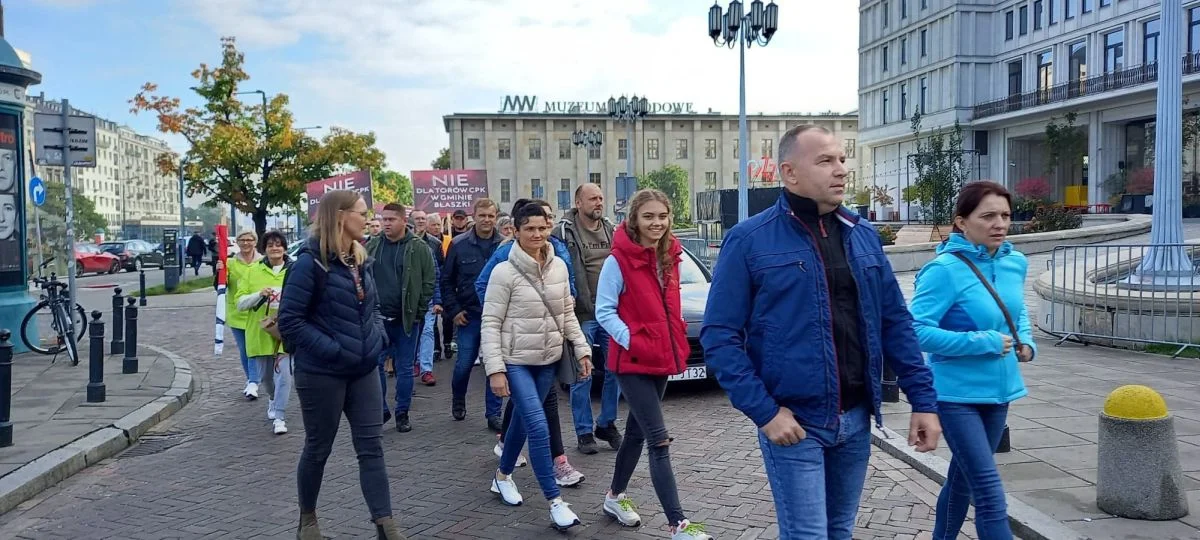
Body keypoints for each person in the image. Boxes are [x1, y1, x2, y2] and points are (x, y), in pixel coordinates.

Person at [700, 125, 942, 539]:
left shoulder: (863, 235)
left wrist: (923, 399)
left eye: (842, 159)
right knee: (808, 535)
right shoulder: (749, 240)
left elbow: (894, 323)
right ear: (790, 173)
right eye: (826, 161)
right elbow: (719, 337)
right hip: (795, 424)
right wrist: (765, 412)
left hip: (855, 420)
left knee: (839, 532)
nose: (841, 170)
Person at [909, 181, 1034, 540]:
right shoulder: (944, 270)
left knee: (962, 479)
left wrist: (1025, 341)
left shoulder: (1015, 262)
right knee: (990, 492)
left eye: (1006, 215)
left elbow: (1017, 309)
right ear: (962, 222)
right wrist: (983, 341)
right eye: (988, 216)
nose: (1000, 223)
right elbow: (915, 331)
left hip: (1000, 393)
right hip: (955, 394)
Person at [276, 190, 404, 540]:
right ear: (340, 217)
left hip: (364, 371)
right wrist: (335, 349)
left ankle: (386, 526)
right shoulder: (308, 263)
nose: (368, 218)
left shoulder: (361, 259)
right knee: (318, 447)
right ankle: (308, 522)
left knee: (372, 446)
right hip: (321, 373)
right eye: (362, 213)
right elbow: (290, 321)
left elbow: (373, 308)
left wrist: (375, 339)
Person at [595, 189, 711, 540]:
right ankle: (679, 524)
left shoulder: (672, 256)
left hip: (661, 359)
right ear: (635, 219)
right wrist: (636, 340)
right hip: (630, 362)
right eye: (648, 216)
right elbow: (604, 311)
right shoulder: (617, 260)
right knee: (658, 440)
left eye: (662, 216)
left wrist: (667, 341)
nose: (656, 223)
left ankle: (614, 497)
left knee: (635, 433)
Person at [480, 202, 593, 531]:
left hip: (549, 360)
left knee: (521, 425)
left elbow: (566, 314)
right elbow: (489, 322)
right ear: (515, 231)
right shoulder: (503, 271)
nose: (537, 234)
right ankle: (555, 501)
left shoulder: (558, 266)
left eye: (542, 228)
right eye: (529, 228)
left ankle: (502, 476)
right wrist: (495, 369)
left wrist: (582, 350)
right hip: (516, 361)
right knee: (539, 427)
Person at [555, 183, 623, 455]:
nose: (598, 202)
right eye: (593, 198)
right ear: (578, 202)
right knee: (582, 373)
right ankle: (584, 432)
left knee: (616, 369)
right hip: (581, 314)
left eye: (601, 198)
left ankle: (606, 423)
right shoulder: (563, 232)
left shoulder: (610, 229)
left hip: (611, 312)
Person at [367, 203, 436, 433]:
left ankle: (402, 413)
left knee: (405, 368)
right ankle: (381, 409)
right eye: (383, 219)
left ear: (402, 220)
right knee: (375, 365)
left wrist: (418, 311)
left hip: (407, 319)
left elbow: (429, 280)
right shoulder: (373, 245)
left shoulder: (418, 247)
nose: (386, 223)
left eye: (391, 219)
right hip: (378, 319)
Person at [442, 199, 503, 428]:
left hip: (497, 316)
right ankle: (458, 399)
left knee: (494, 364)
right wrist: (454, 310)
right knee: (464, 365)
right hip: (469, 316)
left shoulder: (504, 245)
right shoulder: (458, 245)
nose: (486, 220)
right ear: (473, 217)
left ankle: (493, 414)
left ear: (495, 217)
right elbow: (446, 281)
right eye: (482, 215)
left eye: (491, 215)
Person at [236, 230, 293, 435]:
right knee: (267, 380)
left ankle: (279, 416)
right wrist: (259, 294)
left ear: (285, 247)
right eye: (270, 245)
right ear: (264, 249)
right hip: (260, 332)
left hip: (286, 332)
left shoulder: (294, 270)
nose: (275, 248)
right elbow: (240, 303)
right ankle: (272, 398)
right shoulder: (252, 271)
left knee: (285, 376)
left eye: (278, 244)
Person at [218, 231, 262, 400]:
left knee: (253, 348)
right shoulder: (230, 262)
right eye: (242, 240)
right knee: (245, 349)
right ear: (237, 242)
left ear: (255, 242)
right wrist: (219, 273)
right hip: (237, 313)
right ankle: (252, 380)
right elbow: (221, 286)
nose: (246, 243)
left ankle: (253, 381)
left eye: (249, 240)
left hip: (256, 312)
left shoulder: (261, 262)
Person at [411, 209, 443, 385]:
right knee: (411, 331)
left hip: (427, 297)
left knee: (428, 331)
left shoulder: (433, 244)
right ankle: (413, 362)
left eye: (424, 218)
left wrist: (438, 300)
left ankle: (426, 369)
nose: (421, 221)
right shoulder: (402, 244)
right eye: (418, 219)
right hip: (407, 298)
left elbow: (436, 274)